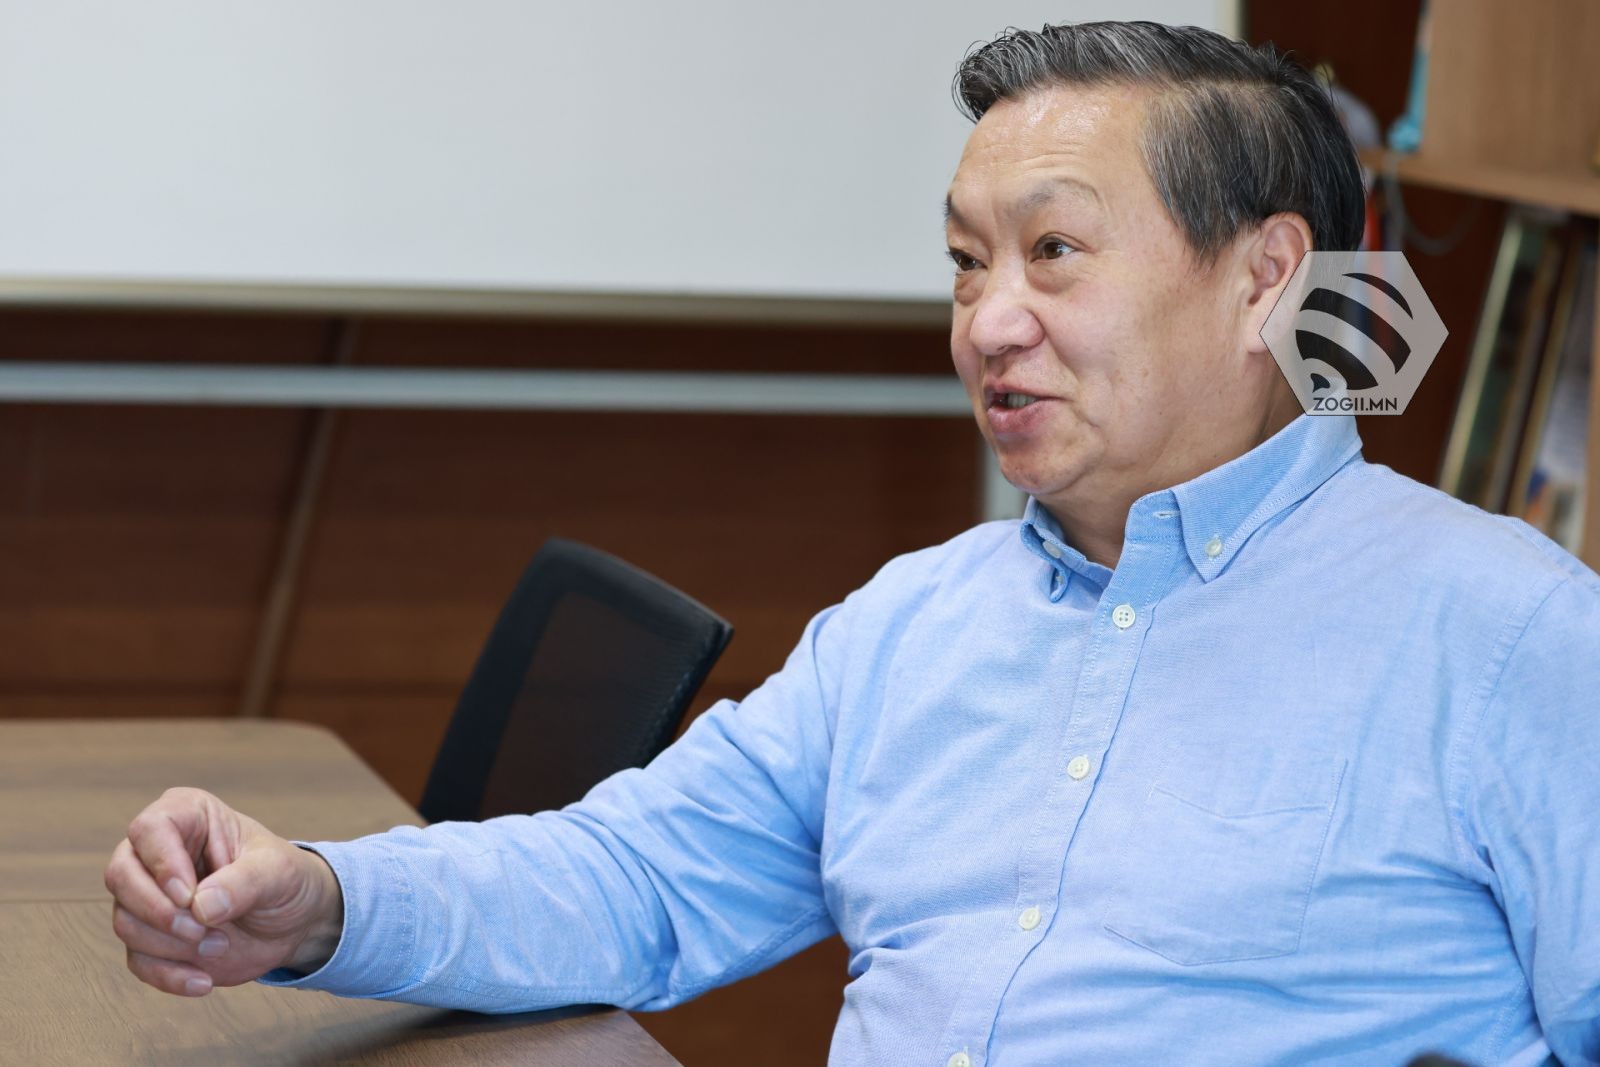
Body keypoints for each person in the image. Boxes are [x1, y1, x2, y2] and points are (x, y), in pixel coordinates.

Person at [104, 21, 1600, 1066]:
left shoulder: (1511, 634)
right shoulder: (911, 624)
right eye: (964, 263)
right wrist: (320, 902)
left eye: (1054, 253)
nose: (989, 323)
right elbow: (639, 880)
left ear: (1267, 277)